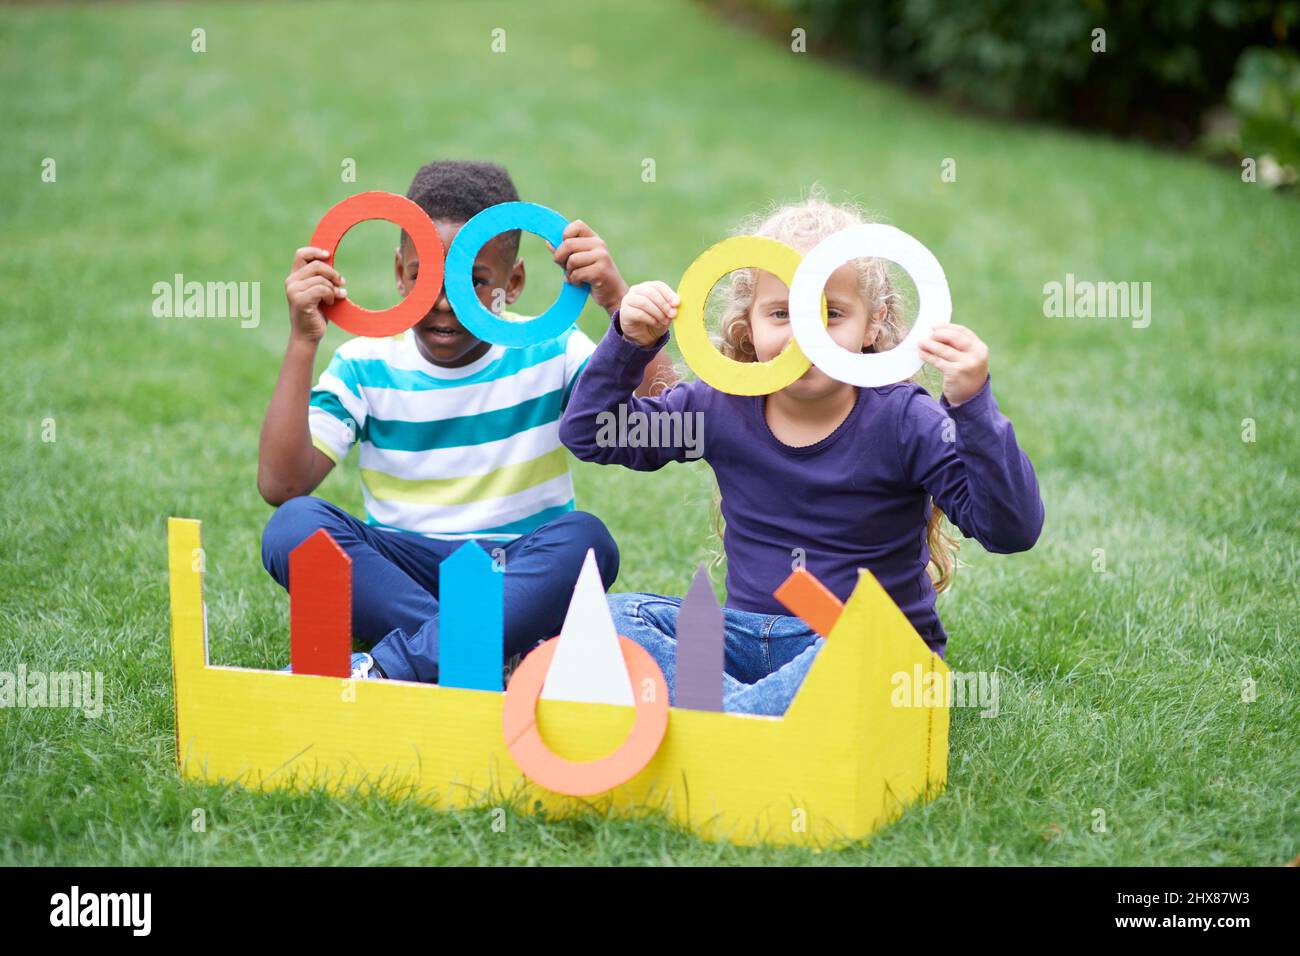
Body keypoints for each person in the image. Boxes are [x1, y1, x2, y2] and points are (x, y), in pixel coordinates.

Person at [559, 194, 1044, 714]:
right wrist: (628, 341)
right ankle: (750, 718)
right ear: (750, 322)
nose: (805, 335)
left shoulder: (906, 420)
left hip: (861, 649)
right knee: (615, 617)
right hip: (746, 640)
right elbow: (593, 434)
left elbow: (1010, 529)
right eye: (781, 313)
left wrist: (972, 406)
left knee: (864, 663)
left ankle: (724, 721)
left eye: (830, 314)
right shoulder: (721, 405)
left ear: (873, 323)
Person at [258, 159, 671, 682]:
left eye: (473, 282)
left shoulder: (552, 349)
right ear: (398, 272)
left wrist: (619, 303)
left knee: (585, 540)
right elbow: (282, 484)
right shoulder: (367, 363)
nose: (443, 304)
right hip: (401, 571)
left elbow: (661, 428)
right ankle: (486, 649)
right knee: (294, 528)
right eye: (420, 277)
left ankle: (396, 663)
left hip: (517, 571)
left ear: (513, 282)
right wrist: (303, 341)